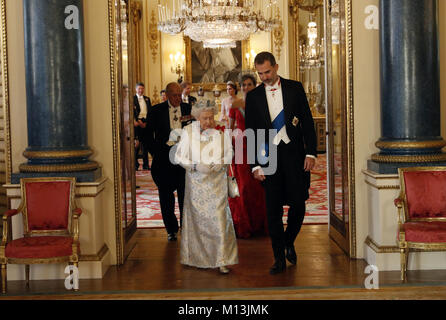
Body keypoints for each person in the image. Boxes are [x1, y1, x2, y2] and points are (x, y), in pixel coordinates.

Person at [245, 52, 317, 275]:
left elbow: (306, 122)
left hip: (295, 155)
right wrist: (255, 165)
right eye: (260, 73)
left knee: (298, 203)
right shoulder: (254, 96)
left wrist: (311, 153)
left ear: (276, 66)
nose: (264, 77)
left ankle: (289, 241)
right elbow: (251, 132)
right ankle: (278, 257)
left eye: (267, 71)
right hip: (268, 157)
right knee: (272, 209)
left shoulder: (295, 88)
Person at [174, 100, 238, 274]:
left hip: (217, 185)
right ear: (197, 117)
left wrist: (221, 163)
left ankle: (222, 260)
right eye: (204, 118)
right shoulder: (188, 132)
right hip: (196, 185)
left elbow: (229, 152)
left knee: (219, 220)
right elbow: (179, 156)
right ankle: (194, 257)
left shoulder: (221, 133)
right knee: (198, 224)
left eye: (211, 118)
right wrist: (195, 166)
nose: (209, 122)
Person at [144, 82, 194, 241]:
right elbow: (147, 136)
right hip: (164, 161)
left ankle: (186, 227)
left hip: (184, 159)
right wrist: (157, 153)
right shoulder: (156, 110)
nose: (178, 98)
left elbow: (196, 130)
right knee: (166, 197)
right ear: (167, 94)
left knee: (185, 195)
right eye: (175, 95)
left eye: (180, 94)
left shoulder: (188, 109)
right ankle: (171, 229)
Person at [228, 74, 268, 239]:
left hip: (258, 146)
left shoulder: (261, 102)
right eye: (243, 85)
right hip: (240, 149)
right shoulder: (235, 104)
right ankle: (245, 224)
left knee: (258, 188)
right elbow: (230, 128)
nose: (246, 88)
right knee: (243, 188)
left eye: (249, 84)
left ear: (255, 85)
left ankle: (260, 225)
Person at [134, 82, 151, 171]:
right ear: (136, 89)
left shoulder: (147, 99)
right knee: (136, 145)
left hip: (145, 123)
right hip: (137, 123)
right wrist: (138, 122)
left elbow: (150, 111)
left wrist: (146, 123)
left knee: (145, 146)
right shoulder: (132, 99)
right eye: (139, 89)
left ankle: (146, 165)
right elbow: (132, 112)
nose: (141, 90)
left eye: (142, 88)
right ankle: (135, 165)